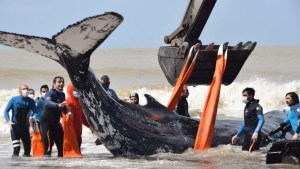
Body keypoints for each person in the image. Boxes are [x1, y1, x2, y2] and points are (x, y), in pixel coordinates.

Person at [4, 84, 37, 157]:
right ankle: (15, 166)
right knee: (16, 149)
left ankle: (24, 166)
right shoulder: (14, 99)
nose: (26, 90)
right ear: (19, 91)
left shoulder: (31, 101)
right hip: (15, 128)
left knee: (28, 151)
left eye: (27, 89)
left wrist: (33, 117)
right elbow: (6, 111)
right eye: (24, 89)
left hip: (25, 128)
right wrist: (9, 121)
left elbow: (35, 112)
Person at [40, 76, 67, 157]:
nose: (61, 84)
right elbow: (47, 103)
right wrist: (58, 105)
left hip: (56, 123)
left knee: (61, 148)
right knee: (48, 149)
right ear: (54, 84)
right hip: (46, 124)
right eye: (59, 82)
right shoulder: (50, 93)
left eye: (62, 82)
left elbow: (63, 108)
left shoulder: (62, 94)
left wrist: (67, 112)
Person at [231, 87, 264, 151]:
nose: (243, 97)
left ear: (251, 96)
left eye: (245, 95)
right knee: (244, 154)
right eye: (242, 95)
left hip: (254, 135)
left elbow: (261, 119)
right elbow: (246, 122)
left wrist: (256, 132)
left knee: (252, 156)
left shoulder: (256, 106)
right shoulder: (247, 106)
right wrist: (237, 135)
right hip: (247, 135)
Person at [65, 83, 90, 152]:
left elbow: (82, 117)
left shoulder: (79, 102)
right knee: (71, 151)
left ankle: (77, 162)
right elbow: (66, 109)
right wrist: (68, 111)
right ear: (70, 90)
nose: (77, 91)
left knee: (78, 148)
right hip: (71, 131)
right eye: (75, 90)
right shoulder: (68, 100)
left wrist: (90, 126)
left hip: (78, 130)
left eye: (77, 90)